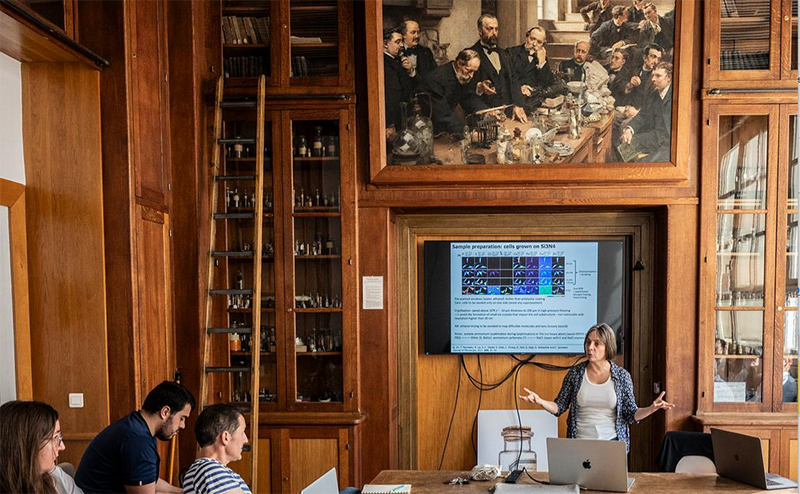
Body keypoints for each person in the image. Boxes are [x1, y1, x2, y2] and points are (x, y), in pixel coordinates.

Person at [520, 323, 674, 452]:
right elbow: (559, 407)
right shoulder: (575, 373)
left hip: (612, 444)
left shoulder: (622, 376)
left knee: (609, 488)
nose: (590, 347)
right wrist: (540, 401)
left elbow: (630, 414)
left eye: (596, 343)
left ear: (608, 347)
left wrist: (651, 408)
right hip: (579, 443)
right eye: (588, 342)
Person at [76, 381, 195, 494]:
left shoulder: (139, 427)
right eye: (182, 418)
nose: (183, 426)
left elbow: (147, 481)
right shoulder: (137, 441)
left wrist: (182, 491)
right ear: (165, 412)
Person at [0, 400, 77, 494]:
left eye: (59, 436)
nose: (62, 446)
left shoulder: (51, 476)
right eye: (55, 438)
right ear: (26, 445)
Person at [467, 14, 527, 122]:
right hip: (485, 117)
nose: (494, 33)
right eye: (489, 29)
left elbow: (513, 80)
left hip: (509, 114)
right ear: (480, 30)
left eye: (496, 29)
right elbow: (466, 91)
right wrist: (486, 112)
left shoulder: (504, 54)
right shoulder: (470, 55)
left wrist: (518, 104)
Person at [182, 404, 251, 494]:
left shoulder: (208, 470)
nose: (245, 440)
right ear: (225, 437)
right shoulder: (211, 470)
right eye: (242, 432)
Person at [418, 49, 488, 134]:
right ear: (459, 63)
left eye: (473, 72)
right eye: (469, 70)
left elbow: (468, 97)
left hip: (446, 129)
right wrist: (467, 133)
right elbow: (443, 116)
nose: (471, 75)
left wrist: (486, 112)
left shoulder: (460, 74)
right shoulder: (435, 80)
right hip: (428, 131)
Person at [620, 61, 672, 161]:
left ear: (668, 78)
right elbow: (642, 115)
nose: (653, 79)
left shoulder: (676, 96)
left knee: (643, 164)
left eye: (658, 76)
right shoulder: (654, 94)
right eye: (653, 75)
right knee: (624, 148)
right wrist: (628, 130)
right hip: (655, 137)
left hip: (671, 143)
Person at [507, 26, 559, 110]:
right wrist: (519, 87)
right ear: (527, 36)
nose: (534, 44)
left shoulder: (542, 58)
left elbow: (548, 83)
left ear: (543, 44)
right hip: (514, 102)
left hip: (533, 103)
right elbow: (505, 78)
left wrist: (542, 63)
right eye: (532, 39)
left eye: (539, 42)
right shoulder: (511, 53)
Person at [383, 28, 413, 135]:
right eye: (397, 42)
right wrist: (390, 124)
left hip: (401, 118)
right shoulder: (385, 64)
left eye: (402, 42)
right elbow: (391, 95)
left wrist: (410, 71)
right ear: (385, 44)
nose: (401, 45)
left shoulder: (395, 62)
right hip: (392, 121)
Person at [400, 20, 438, 89]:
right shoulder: (397, 52)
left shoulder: (426, 52)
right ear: (403, 35)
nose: (417, 36)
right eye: (413, 32)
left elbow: (435, 75)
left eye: (418, 32)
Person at [623, 43, 663, 109]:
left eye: (658, 59)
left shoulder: (657, 79)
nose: (656, 61)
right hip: (624, 107)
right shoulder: (634, 69)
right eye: (653, 57)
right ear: (644, 58)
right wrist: (630, 85)